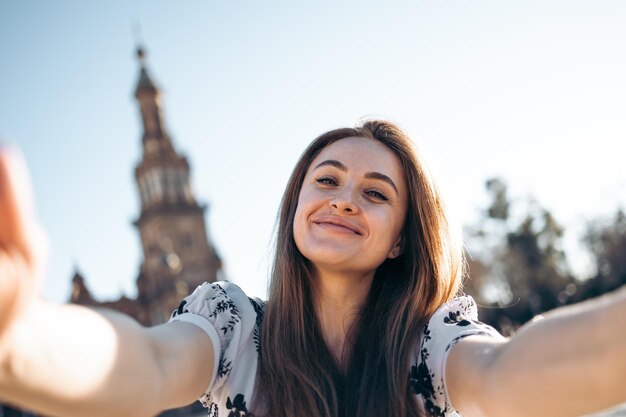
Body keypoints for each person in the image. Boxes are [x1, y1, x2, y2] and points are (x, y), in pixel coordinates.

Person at [0, 120, 625, 417]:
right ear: (295, 208)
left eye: (376, 193)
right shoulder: (236, 332)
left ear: (401, 241)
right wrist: (18, 341)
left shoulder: (429, 349)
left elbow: (509, 374)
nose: (345, 197)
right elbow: (144, 363)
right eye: (326, 179)